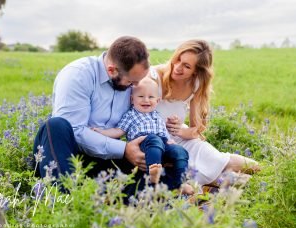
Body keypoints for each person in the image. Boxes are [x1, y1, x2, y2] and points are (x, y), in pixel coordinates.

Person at [33, 36, 150, 194]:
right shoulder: (78, 74)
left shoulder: (133, 77)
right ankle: (63, 201)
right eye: (131, 81)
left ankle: (118, 201)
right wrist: (124, 149)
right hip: (69, 156)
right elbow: (75, 131)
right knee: (56, 125)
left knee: (153, 159)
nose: (136, 86)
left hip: (106, 156)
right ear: (111, 70)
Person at [149, 39, 260, 187]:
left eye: (186, 66)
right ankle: (224, 180)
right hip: (158, 144)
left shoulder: (195, 84)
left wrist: (181, 131)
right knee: (203, 174)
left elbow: (196, 130)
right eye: (178, 59)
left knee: (252, 167)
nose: (177, 67)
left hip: (182, 139)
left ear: (196, 71)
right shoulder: (153, 76)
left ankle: (269, 175)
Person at [93, 78, 193, 194]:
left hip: (163, 142)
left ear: (157, 100)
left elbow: (163, 131)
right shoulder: (130, 115)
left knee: (180, 152)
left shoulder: (157, 115)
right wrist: (102, 132)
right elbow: (117, 131)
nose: (146, 100)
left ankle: (180, 182)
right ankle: (153, 174)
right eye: (140, 96)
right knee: (154, 140)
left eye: (151, 97)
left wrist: (171, 141)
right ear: (132, 99)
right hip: (144, 142)